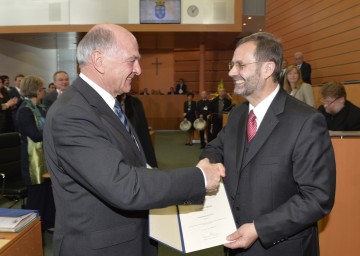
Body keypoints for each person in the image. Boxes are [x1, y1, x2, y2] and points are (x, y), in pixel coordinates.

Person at [43, 23, 225, 256]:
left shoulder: (108, 105)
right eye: (132, 60)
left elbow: (137, 166)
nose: (138, 70)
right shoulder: (72, 113)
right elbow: (124, 185)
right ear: (99, 60)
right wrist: (199, 178)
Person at [200, 32, 336, 256]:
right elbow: (215, 148)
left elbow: (317, 197)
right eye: (232, 64)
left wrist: (259, 229)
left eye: (240, 65)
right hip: (234, 244)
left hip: (281, 248)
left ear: (267, 69)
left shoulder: (306, 121)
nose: (231, 72)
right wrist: (207, 162)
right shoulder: (238, 115)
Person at [16, 75, 55, 234]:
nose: (44, 92)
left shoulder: (39, 108)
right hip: (32, 163)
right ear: (35, 90)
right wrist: (54, 128)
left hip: (43, 159)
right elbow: (36, 135)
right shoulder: (25, 110)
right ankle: (32, 231)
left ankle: (48, 224)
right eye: (41, 89)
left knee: (48, 194)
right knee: (37, 197)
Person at [117, 93, 158, 167]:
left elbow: (145, 138)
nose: (130, 80)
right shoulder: (103, 104)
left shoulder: (135, 103)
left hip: (137, 160)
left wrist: (152, 165)